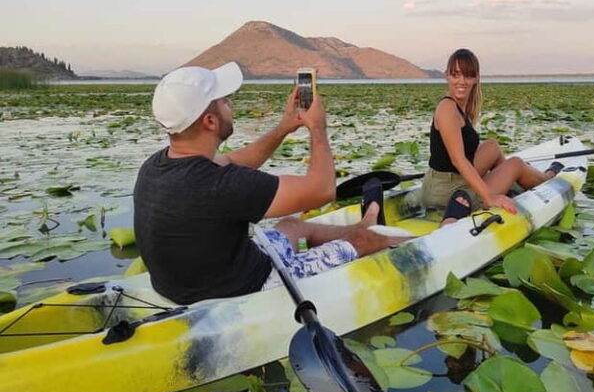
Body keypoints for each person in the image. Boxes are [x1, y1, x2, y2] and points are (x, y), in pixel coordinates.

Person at [133, 62, 402, 305]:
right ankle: (368, 235)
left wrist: (285, 126)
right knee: (367, 241)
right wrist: (317, 129)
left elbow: (238, 161)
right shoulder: (221, 185)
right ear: (210, 121)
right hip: (249, 286)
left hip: (189, 284)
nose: (231, 105)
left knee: (292, 225)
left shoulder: (157, 165)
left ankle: (360, 225)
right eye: (225, 101)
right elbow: (322, 190)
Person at [422, 48, 563, 225]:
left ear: (476, 78)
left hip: (447, 181)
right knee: (515, 164)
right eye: (456, 74)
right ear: (447, 76)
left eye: (468, 75)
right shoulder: (447, 109)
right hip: (445, 192)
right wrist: (489, 197)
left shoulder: (459, 107)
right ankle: (544, 179)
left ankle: (510, 184)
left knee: (492, 146)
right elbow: (458, 160)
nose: (462, 81)